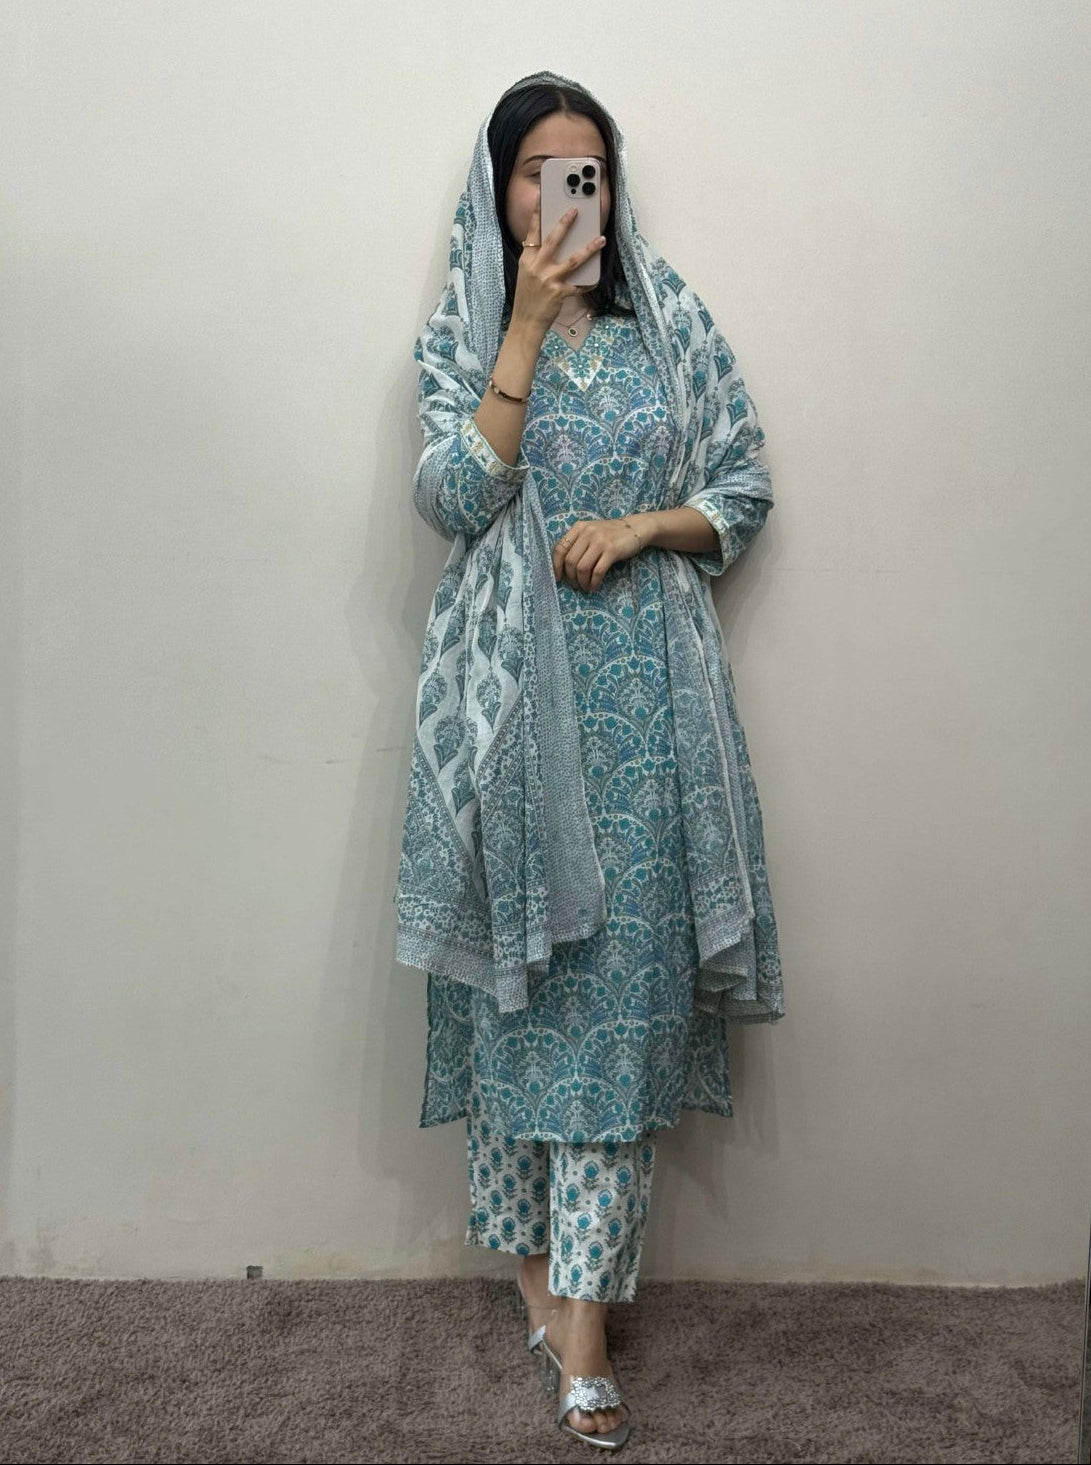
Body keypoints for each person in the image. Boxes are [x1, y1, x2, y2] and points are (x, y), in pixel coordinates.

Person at [394, 69, 786, 1450]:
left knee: (619, 1019)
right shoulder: (466, 335)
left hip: (647, 719)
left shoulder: (668, 319)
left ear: (612, 188)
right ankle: (537, 1278)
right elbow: (454, 492)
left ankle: (587, 1330)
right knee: (525, 1006)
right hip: (509, 715)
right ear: (497, 195)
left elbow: (742, 481)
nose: (568, 197)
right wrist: (522, 323)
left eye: (589, 173)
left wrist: (638, 530)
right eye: (539, 174)